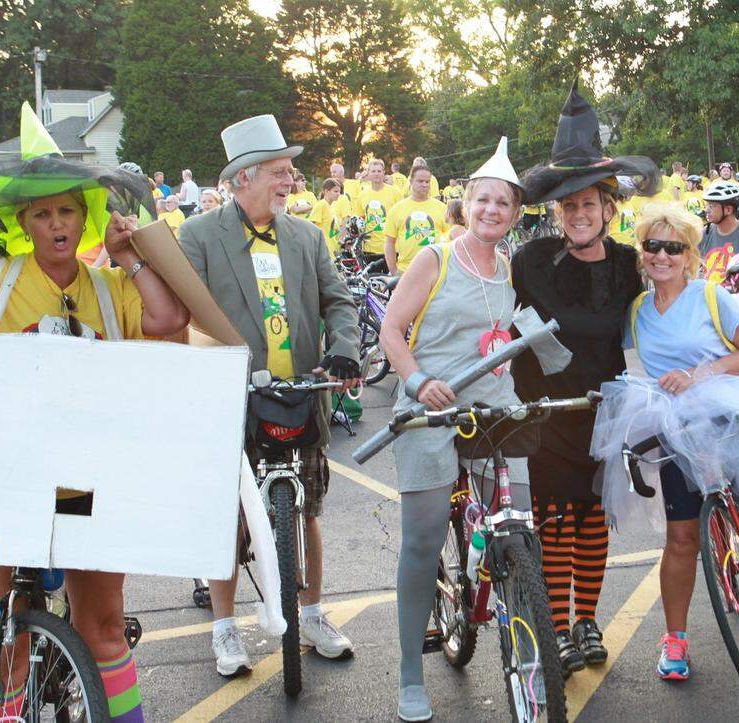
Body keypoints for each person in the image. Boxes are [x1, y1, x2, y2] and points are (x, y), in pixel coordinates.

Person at [0, 103, 189, 720]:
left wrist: (129, 257)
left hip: (79, 480)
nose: (56, 223)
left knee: (101, 628)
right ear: (25, 221)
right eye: (42, 212)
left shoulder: (108, 286)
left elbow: (169, 322)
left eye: (67, 210)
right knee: (4, 635)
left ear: (85, 219)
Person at [590, 205, 739, 682]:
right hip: (675, 424)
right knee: (681, 539)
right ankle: (675, 640)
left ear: (689, 255)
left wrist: (701, 374)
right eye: (652, 246)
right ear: (642, 253)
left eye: (673, 247)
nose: (661, 256)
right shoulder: (637, 310)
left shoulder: (710, 296)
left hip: (730, 416)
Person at [178, 114, 361, 678]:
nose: (290, 181)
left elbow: (339, 301)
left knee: (306, 508)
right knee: (229, 517)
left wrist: (346, 348)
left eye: (290, 172)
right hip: (233, 396)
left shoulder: (308, 235)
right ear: (241, 180)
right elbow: (181, 314)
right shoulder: (199, 235)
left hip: (302, 390)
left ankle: (313, 615)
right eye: (279, 173)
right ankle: (224, 629)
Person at [514, 86, 660, 676]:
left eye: (589, 205)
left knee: (593, 519)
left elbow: (670, 311)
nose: (578, 215)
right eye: (568, 206)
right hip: (546, 415)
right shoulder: (531, 261)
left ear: (608, 210)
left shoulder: (630, 264)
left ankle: (585, 621)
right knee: (554, 522)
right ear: (556, 212)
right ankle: (555, 627)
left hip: (604, 412)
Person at [379, 138, 526, 722]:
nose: (492, 210)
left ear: (516, 214)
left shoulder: (510, 264)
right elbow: (392, 331)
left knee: (521, 525)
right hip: (430, 408)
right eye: (482, 199)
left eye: (503, 203)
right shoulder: (433, 260)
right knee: (420, 537)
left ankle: (525, 627)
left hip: (493, 407)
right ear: (464, 203)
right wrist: (416, 382)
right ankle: (411, 673)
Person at [385, 165, 448, 275]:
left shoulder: (442, 208)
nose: (424, 185)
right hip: (405, 270)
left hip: (435, 270)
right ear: (411, 181)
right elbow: (389, 243)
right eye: (420, 181)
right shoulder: (396, 209)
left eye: (427, 182)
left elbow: (451, 240)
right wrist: (393, 270)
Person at [355, 158, 404, 264]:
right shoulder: (362, 195)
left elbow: (403, 219)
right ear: (368, 173)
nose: (376, 174)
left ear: (384, 173)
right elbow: (360, 219)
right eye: (373, 171)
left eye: (379, 171)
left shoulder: (395, 193)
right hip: (369, 249)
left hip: (392, 248)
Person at [309, 178, 344, 253]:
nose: (338, 194)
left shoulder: (330, 207)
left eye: (339, 192)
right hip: (324, 252)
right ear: (326, 191)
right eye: (335, 191)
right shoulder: (321, 205)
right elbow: (310, 227)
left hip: (334, 252)